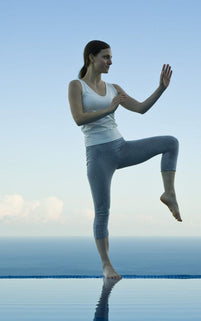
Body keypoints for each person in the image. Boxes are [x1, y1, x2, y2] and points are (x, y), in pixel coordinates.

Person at [68, 40, 181, 279]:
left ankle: (168, 193)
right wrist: (108, 110)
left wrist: (161, 88)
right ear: (91, 57)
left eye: (111, 58)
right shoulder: (76, 86)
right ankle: (107, 266)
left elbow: (140, 108)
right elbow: (78, 118)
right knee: (102, 212)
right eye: (106, 57)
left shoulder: (114, 87)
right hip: (98, 155)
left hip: (121, 148)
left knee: (170, 142)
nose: (110, 62)